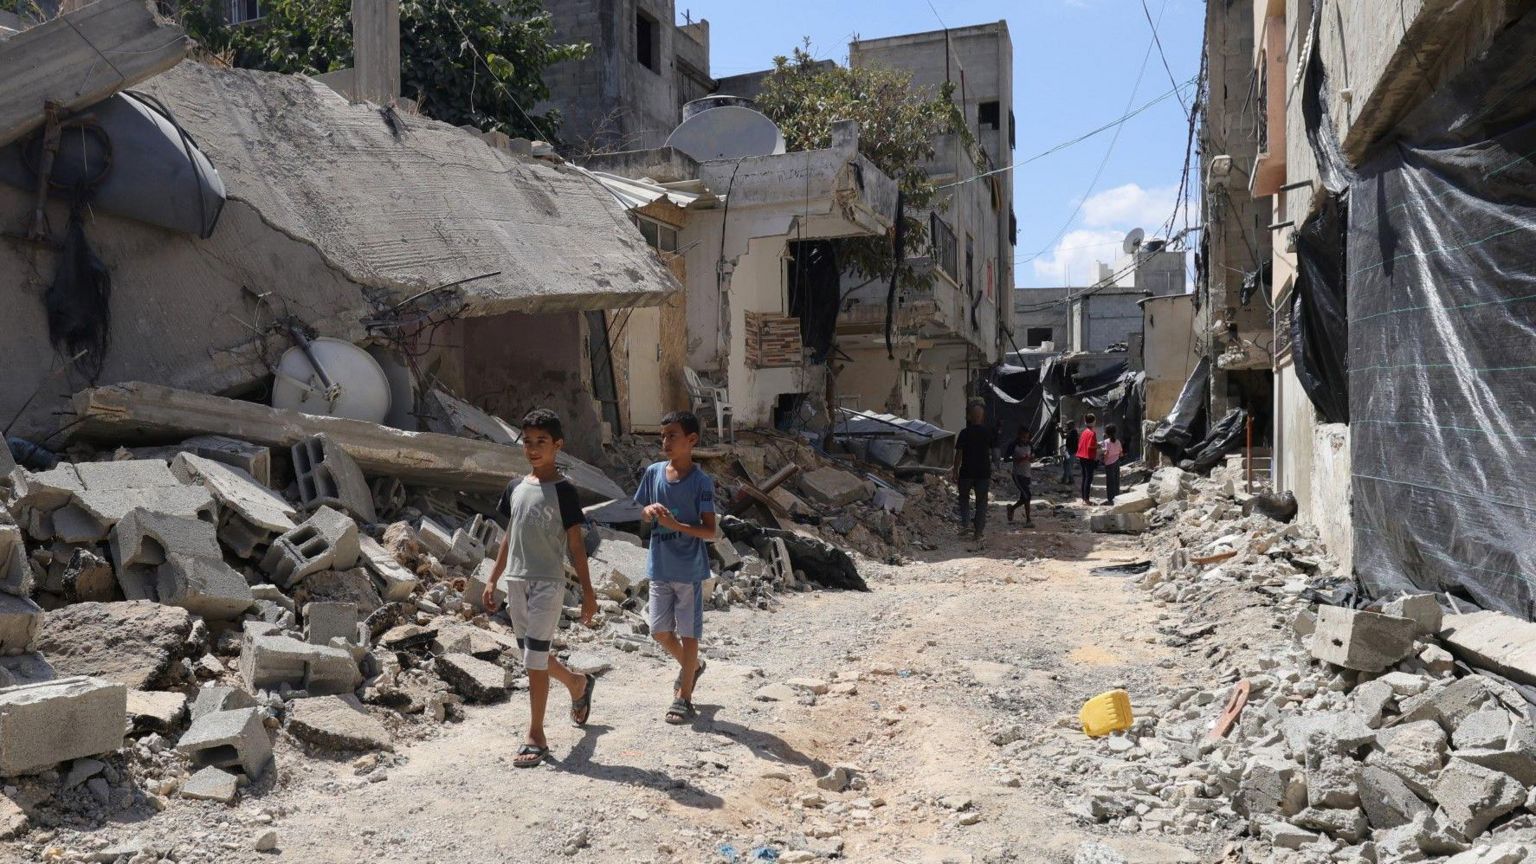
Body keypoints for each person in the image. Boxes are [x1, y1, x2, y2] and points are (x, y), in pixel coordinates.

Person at [483, 409, 599, 769]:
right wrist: (493, 576)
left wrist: (590, 593)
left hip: (548, 582)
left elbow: (576, 546)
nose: (533, 449)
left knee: (533, 658)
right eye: (528, 442)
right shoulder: (515, 487)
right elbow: (508, 535)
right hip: (516, 580)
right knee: (530, 655)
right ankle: (577, 684)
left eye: (542, 442)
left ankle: (536, 735)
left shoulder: (564, 491)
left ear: (558, 445)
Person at [633, 410, 718, 725]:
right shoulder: (654, 472)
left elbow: (710, 531)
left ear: (692, 440)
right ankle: (692, 667)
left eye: (673, 435)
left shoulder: (701, 482)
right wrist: (649, 511)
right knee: (659, 631)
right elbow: (641, 511)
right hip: (660, 566)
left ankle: (684, 697)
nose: (666, 442)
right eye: (663, 436)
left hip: (689, 570)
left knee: (689, 632)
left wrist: (675, 524)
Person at [951, 403, 995, 544]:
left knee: (963, 498)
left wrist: (955, 470)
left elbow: (959, 453)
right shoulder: (988, 432)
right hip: (983, 473)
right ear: (982, 417)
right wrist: (994, 466)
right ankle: (978, 533)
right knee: (981, 503)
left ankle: (966, 524)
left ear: (969, 416)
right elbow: (995, 453)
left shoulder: (964, 433)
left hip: (966, 472)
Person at [1003, 426, 1034, 526]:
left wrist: (1031, 458)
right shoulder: (1013, 445)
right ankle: (1028, 519)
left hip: (1027, 474)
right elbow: (1006, 459)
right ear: (1019, 436)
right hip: (1018, 474)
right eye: (1023, 437)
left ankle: (1011, 508)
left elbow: (1033, 455)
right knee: (1027, 496)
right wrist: (1017, 459)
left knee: (1024, 497)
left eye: (1027, 437)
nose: (1025, 439)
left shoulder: (1029, 444)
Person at [1077, 413, 1099, 505]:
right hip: (1089, 457)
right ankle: (1086, 499)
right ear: (1093, 421)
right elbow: (1091, 446)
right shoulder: (1092, 433)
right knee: (1088, 478)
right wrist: (1098, 446)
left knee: (1084, 477)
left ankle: (1083, 498)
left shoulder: (1084, 431)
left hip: (1082, 456)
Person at [1101, 424, 1124, 505]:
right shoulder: (1118, 441)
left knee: (1110, 482)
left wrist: (1104, 460)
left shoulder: (1106, 442)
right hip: (1116, 463)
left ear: (1106, 433)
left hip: (1109, 464)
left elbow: (1106, 453)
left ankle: (1110, 499)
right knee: (1116, 480)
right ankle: (1117, 497)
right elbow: (1121, 454)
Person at [1059, 418, 1078, 486]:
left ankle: (1068, 479)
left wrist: (1061, 431)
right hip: (1068, 450)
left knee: (1068, 465)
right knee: (1066, 464)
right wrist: (1061, 431)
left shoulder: (1073, 431)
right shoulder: (1071, 431)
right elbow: (1063, 436)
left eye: (1068, 425)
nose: (1067, 426)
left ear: (1072, 425)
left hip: (1071, 451)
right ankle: (1068, 479)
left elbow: (1064, 436)